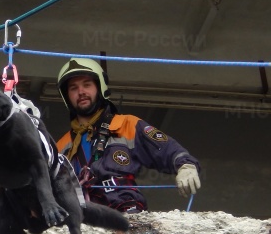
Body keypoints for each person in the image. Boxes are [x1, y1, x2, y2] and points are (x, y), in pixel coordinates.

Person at [55, 58, 201, 213]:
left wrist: (186, 166)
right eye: (73, 88)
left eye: (87, 84)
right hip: (83, 218)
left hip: (125, 210)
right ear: (66, 96)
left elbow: (166, 148)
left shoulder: (126, 125)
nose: (81, 92)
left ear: (99, 87)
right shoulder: (60, 146)